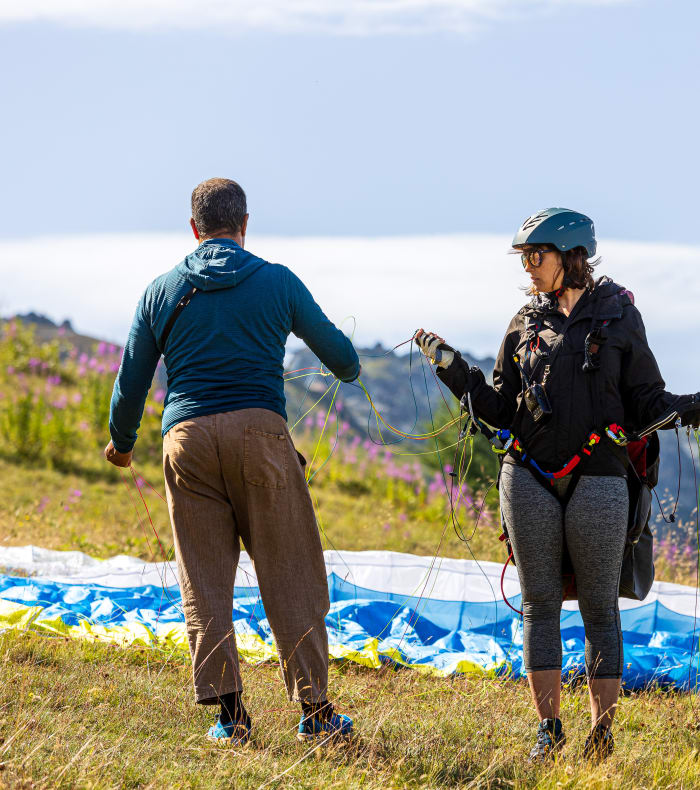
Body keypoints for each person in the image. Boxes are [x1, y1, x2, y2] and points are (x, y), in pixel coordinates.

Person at [416, 208, 700, 762]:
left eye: (536, 255)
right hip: (526, 477)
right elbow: (499, 408)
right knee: (538, 603)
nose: (528, 265)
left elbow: (648, 403)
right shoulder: (524, 321)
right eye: (524, 256)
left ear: (570, 256)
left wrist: (695, 407)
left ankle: (602, 734)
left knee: (599, 606)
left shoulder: (619, 318)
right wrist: (454, 370)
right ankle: (549, 730)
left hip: (599, 475)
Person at [104, 177, 360, 745]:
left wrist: (122, 444)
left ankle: (230, 717)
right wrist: (349, 369)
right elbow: (342, 359)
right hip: (261, 437)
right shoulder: (277, 281)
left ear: (194, 228)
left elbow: (131, 383)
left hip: (187, 441)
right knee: (290, 568)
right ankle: (315, 714)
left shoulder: (160, 290)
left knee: (204, 577)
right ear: (244, 224)